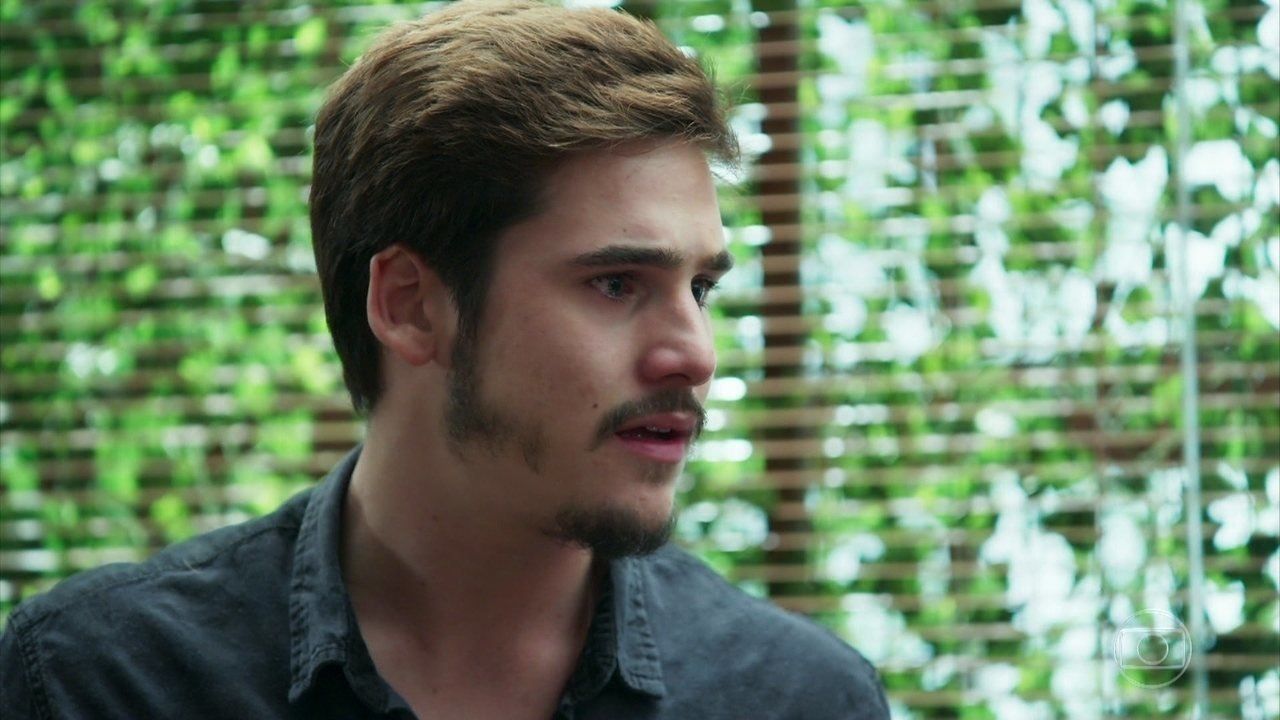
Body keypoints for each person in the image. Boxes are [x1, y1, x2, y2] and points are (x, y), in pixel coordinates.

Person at [0, 1, 889, 718]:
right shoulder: (95, 683)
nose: (694, 353)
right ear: (409, 306)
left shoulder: (800, 700)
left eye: (700, 288)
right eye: (617, 283)